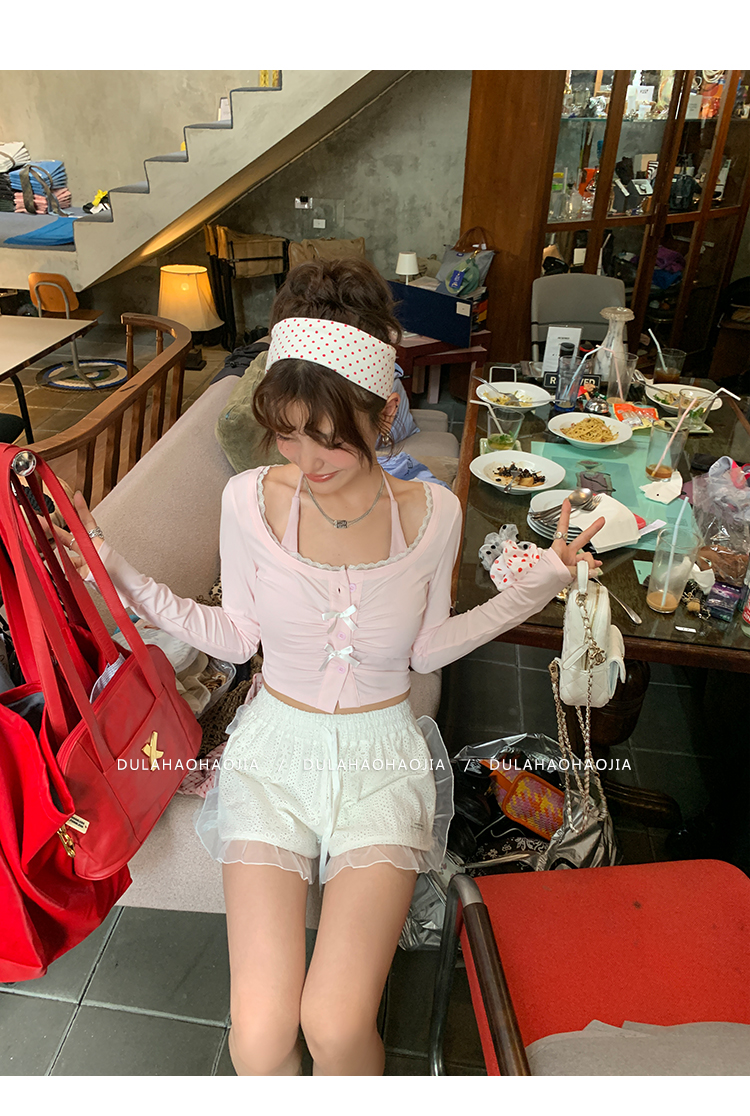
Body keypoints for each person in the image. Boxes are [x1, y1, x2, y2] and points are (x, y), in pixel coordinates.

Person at [55, 293, 604, 1077]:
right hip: (273, 757)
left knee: (337, 1024)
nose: (307, 460)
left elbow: (428, 650)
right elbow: (233, 637)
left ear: (384, 415)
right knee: (258, 1038)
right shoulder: (248, 500)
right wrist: (117, 572)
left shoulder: (435, 513)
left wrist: (539, 582)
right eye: (287, 433)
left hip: (382, 762)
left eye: (329, 438)